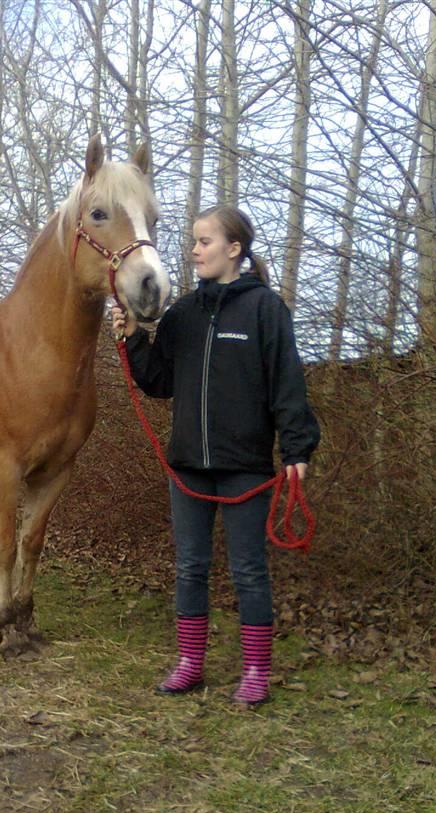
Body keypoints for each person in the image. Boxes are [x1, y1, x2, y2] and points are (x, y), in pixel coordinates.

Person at [111, 205, 320, 707]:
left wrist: (296, 448)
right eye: (194, 241)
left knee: (248, 569)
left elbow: (287, 385)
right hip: (188, 467)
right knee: (190, 567)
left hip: (245, 467)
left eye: (205, 241)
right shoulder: (184, 312)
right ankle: (190, 663)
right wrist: (134, 338)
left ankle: (254, 671)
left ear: (235, 249)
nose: (195, 249)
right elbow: (159, 381)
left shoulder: (265, 309)